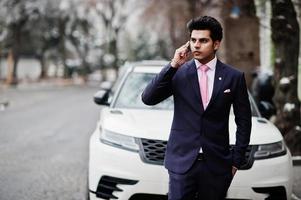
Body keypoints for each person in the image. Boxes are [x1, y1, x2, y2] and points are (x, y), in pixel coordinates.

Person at [142, 16, 252, 200]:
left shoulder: (234, 77)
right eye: (193, 40)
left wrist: (236, 161)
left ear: (216, 44)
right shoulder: (179, 73)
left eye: (203, 40)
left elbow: (244, 120)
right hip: (181, 164)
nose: (196, 45)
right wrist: (173, 65)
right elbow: (148, 98)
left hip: (217, 166)